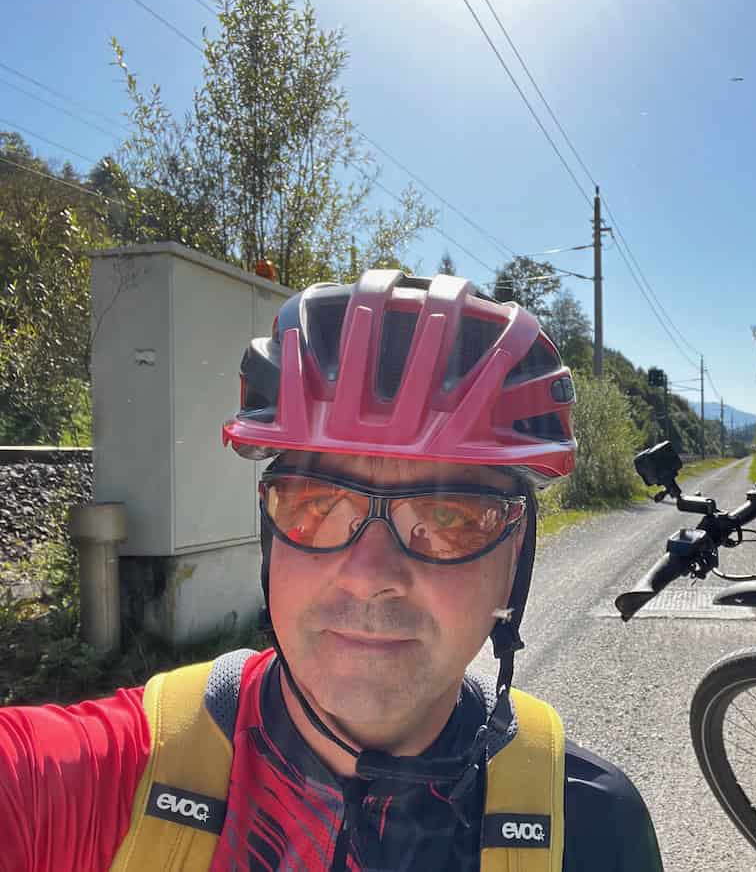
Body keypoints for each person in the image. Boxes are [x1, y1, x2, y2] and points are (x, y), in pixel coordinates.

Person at [0, 270, 664, 871]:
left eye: (450, 516)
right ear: (269, 533)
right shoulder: (107, 776)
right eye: (318, 506)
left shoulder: (592, 830)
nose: (368, 575)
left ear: (514, 555)